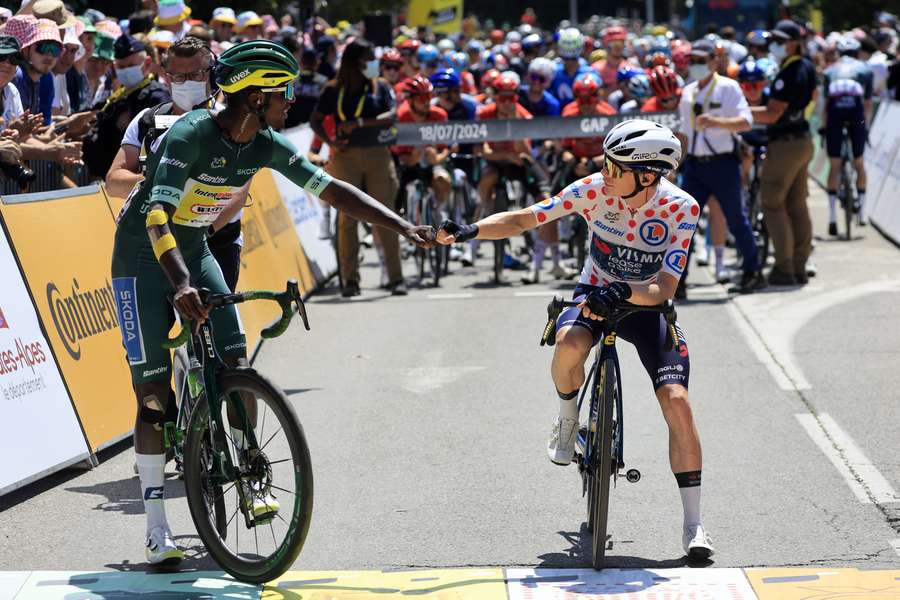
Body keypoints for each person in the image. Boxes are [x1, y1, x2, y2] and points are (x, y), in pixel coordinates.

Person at [110, 39, 433, 567]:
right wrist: (181, 284)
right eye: (283, 92)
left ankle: (249, 466)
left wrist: (404, 225)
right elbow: (153, 218)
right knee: (153, 397)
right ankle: (156, 527)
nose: (291, 102)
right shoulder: (192, 134)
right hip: (143, 258)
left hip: (194, 246)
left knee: (236, 362)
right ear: (255, 96)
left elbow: (332, 190)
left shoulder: (263, 141)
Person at [435, 119, 714, 561]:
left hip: (644, 304)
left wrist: (624, 291)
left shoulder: (682, 208)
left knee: (677, 400)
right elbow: (527, 218)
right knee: (568, 343)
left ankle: (694, 524)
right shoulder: (594, 189)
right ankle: (568, 418)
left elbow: (664, 287)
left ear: (646, 174)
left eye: (614, 166)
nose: (604, 171)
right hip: (593, 294)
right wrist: (471, 230)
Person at [310, 39, 405, 297]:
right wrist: (330, 142)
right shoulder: (333, 89)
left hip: (378, 155)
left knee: (386, 215)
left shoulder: (380, 87)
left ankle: (396, 279)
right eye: (368, 58)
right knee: (346, 218)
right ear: (355, 62)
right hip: (345, 157)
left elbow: (392, 116)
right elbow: (315, 121)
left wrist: (360, 122)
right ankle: (349, 281)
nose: (373, 63)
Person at [676, 39, 765, 295]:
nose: (695, 66)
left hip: (723, 163)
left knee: (736, 219)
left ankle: (752, 269)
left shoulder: (728, 87)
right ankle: (678, 279)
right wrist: (673, 164)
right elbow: (684, 132)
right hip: (694, 165)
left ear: (714, 61)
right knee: (684, 224)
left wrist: (717, 121)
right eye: (692, 61)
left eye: (701, 61)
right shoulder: (688, 91)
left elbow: (746, 121)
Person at [750, 20, 817, 285]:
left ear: (794, 42)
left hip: (786, 145)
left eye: (780, 40)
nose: (775, 44)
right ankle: (799, 266)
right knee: (797, 204)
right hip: (802, 140)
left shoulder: (790, 72)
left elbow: (772, 113)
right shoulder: (807, 66)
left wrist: (735, 112)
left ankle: (784, 268)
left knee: (772, 204)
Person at [82, 33, 170, 180]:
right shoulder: (118, 96)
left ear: (147, 63)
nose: (126, 70)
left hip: (129, 180)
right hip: (103, 177)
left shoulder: (157, 97)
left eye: (131, 66)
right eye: (121, 67)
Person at [822, 37, 873, 233]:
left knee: (834, 165)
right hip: (856, 115)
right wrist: (864, 126)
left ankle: (833, 217)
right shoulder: (865, 70)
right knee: (859, 162)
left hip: (835, 115)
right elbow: (867, 103)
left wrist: (824, 127)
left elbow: (825, 106)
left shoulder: (829, 70)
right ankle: (862, 211)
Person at [550, 27, 591, 104]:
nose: (570, 63)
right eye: (566, 58)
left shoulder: (590, 73)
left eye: (573, 59)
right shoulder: (554, 72)